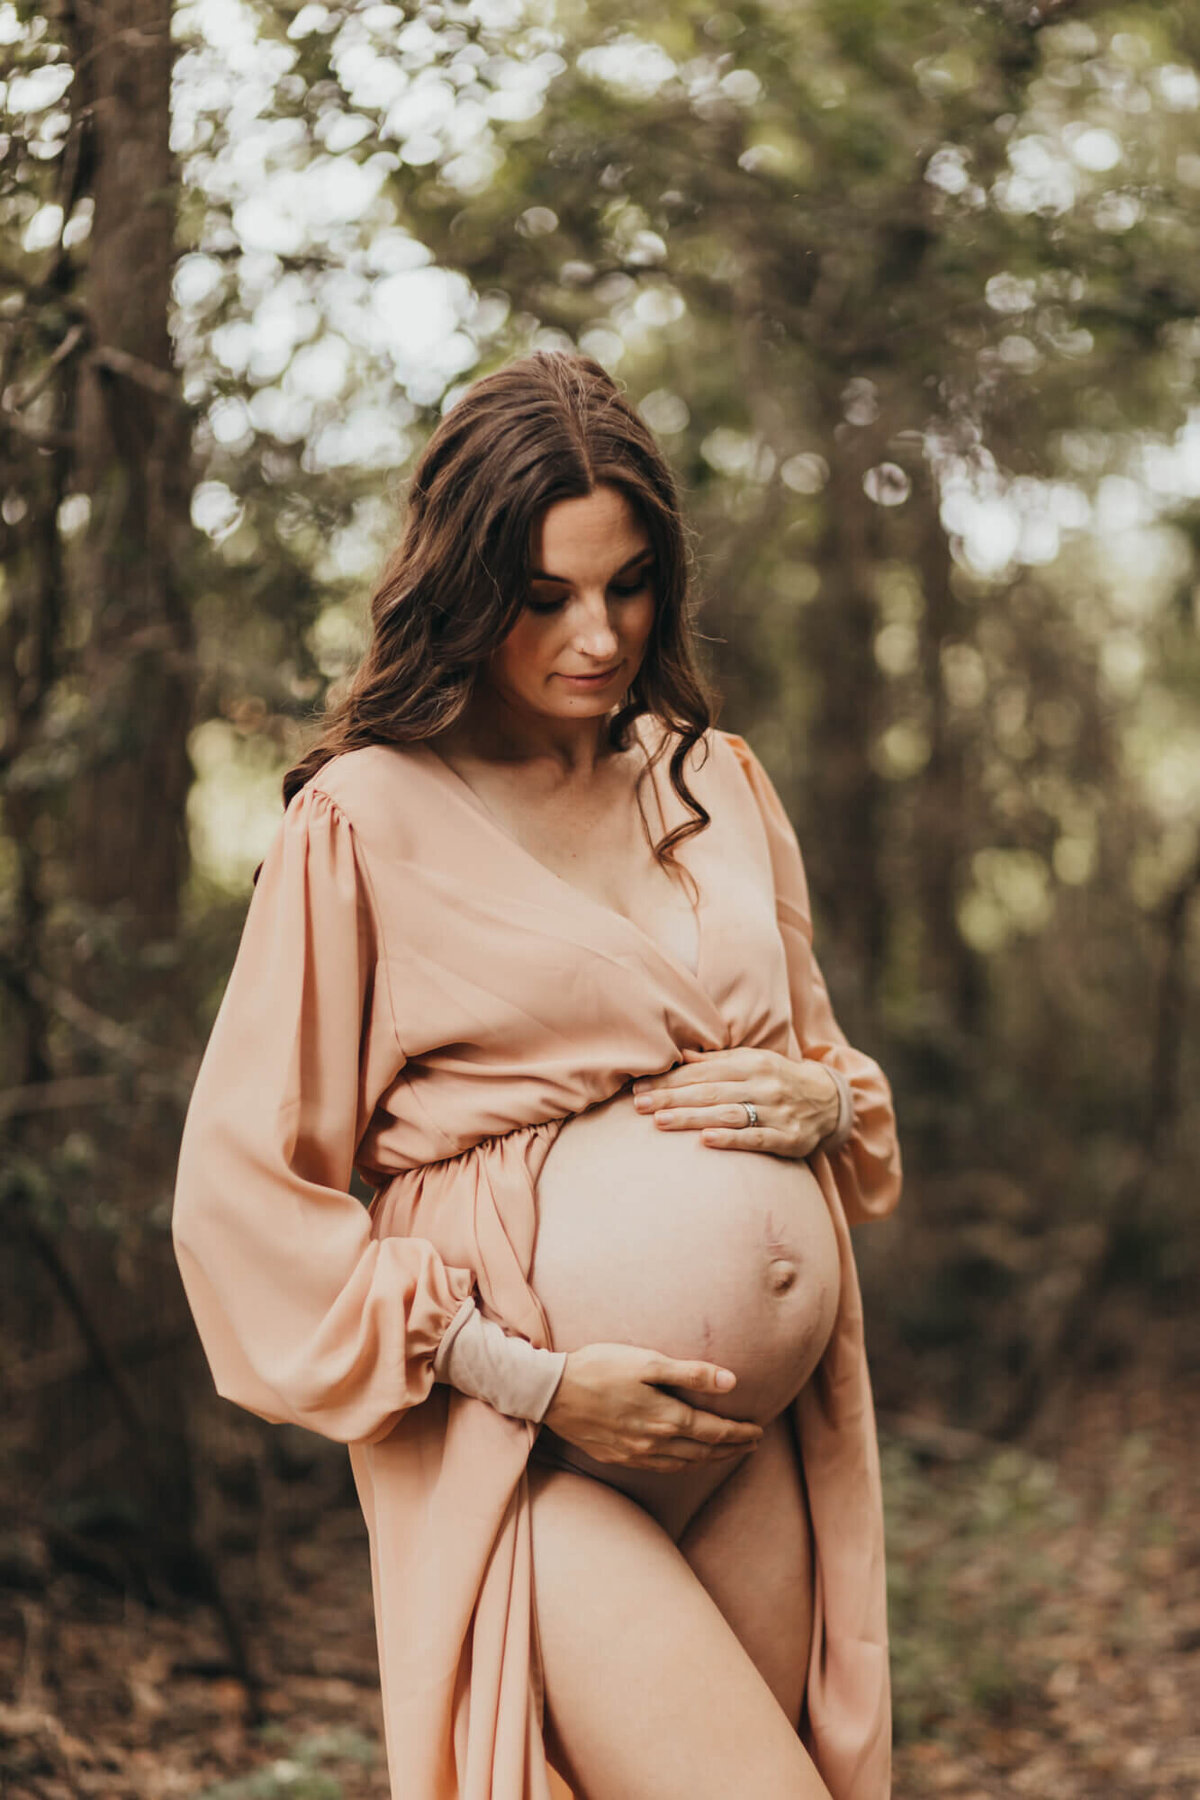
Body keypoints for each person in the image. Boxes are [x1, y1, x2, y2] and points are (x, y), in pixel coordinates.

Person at [171, 349, 903, 1800]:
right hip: (528, 1446)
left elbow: (824, 1060)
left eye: (628, 584)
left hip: (755, 1437)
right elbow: (241, 1202)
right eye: (547, 593)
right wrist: (536, 1379)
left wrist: (829, 1101)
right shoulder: (364, 822)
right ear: (465, 584)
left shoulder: (714, 780)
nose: (597, 634)